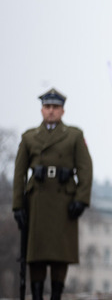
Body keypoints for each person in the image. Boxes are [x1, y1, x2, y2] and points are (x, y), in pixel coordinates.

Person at [12, 88, 93, 300]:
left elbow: (85, 169)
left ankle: (56, 295)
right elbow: (19, 173)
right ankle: (37, 295)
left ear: (62, 111)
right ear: (41, 110)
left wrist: (81, 200)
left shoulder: (74, 135)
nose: (51, 111)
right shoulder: (29, 137)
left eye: (55, 107)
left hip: (63, 201)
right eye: (47, 107)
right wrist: (18, 205)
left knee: (60, 254)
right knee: (36, 254)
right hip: (37, 201)